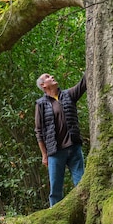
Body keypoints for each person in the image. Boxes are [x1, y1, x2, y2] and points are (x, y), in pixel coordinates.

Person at [35, 72, 86, 206]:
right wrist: (44, 155)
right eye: (47, 77)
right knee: (55, 190)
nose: (51, 77)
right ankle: (55, 221)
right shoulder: (41, 104)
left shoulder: (68, 94)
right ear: (43, 85)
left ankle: (85, 212)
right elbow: (39, 131)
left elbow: (84, 83)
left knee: (81, 183)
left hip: (74, 147)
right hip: (55, 152)